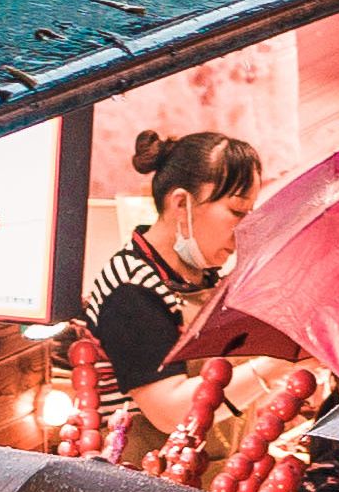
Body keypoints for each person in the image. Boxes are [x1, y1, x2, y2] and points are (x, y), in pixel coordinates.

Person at [84, 129, 266, 453]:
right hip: (146, 488)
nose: (245, 227)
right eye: (237, 211)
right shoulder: (129, 289)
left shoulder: (202, 274)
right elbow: (170, 411)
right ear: (181, 202)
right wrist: (280, 367)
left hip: (212, 477)